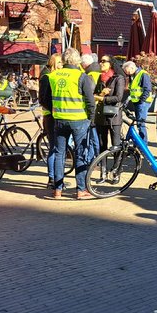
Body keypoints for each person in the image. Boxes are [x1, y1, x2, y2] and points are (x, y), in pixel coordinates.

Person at [40, 48, 96, 200]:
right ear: (77, 61)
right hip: (79, 120)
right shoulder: (81, 76)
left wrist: (54, 110)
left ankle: (58, 190)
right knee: (80, 153)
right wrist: (90, 119)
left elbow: (44, 98)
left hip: (59, 119)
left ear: (64, 60)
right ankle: (80, 190)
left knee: (59, 154)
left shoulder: (52, 76)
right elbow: (90, 101)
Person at [39, 53, 63, 190]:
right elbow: (43, 98)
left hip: (55, 115)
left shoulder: (54, 76)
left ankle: (54, 177)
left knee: (56, 147)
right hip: (51, 116)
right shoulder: (46, 77)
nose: (61, 66)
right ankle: (52, 178)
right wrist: (53, 109)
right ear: (54, 63)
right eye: (59, 63)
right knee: (54, 148)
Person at [94, 55, 126, 152]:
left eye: (104, 61)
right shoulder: (100, 77)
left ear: (110, 64)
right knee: (101, 144)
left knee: (115, 145)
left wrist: (102, 98)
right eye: (100, 61)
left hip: (114, 116)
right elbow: (95, 94)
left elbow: (118, 97)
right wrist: (102, 94)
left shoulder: (118, 78)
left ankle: (116, 167)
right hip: (101, 115)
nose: (101, 63)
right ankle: (103, 167)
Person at [122, 61, 152, 143]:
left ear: (132, 67)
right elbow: (133, 91)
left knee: (140, 123)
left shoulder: (143, 74)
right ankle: (140, 141)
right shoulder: (133, 75)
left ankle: (143, 143)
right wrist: (127, 101)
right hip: (137, 102)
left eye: (127, 71)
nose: (126, 73)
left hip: (143, 103)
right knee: (139, 123)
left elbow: (147, 89)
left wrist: (142, 101)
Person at [82, 53, 102, 161]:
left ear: (85, 64)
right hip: (97, 106)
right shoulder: (97, 71)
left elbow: (88, 93)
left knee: (93, 135)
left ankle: (92, 158)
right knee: (94, 134)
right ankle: (93, 157)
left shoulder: (90, 75)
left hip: (93, 107)